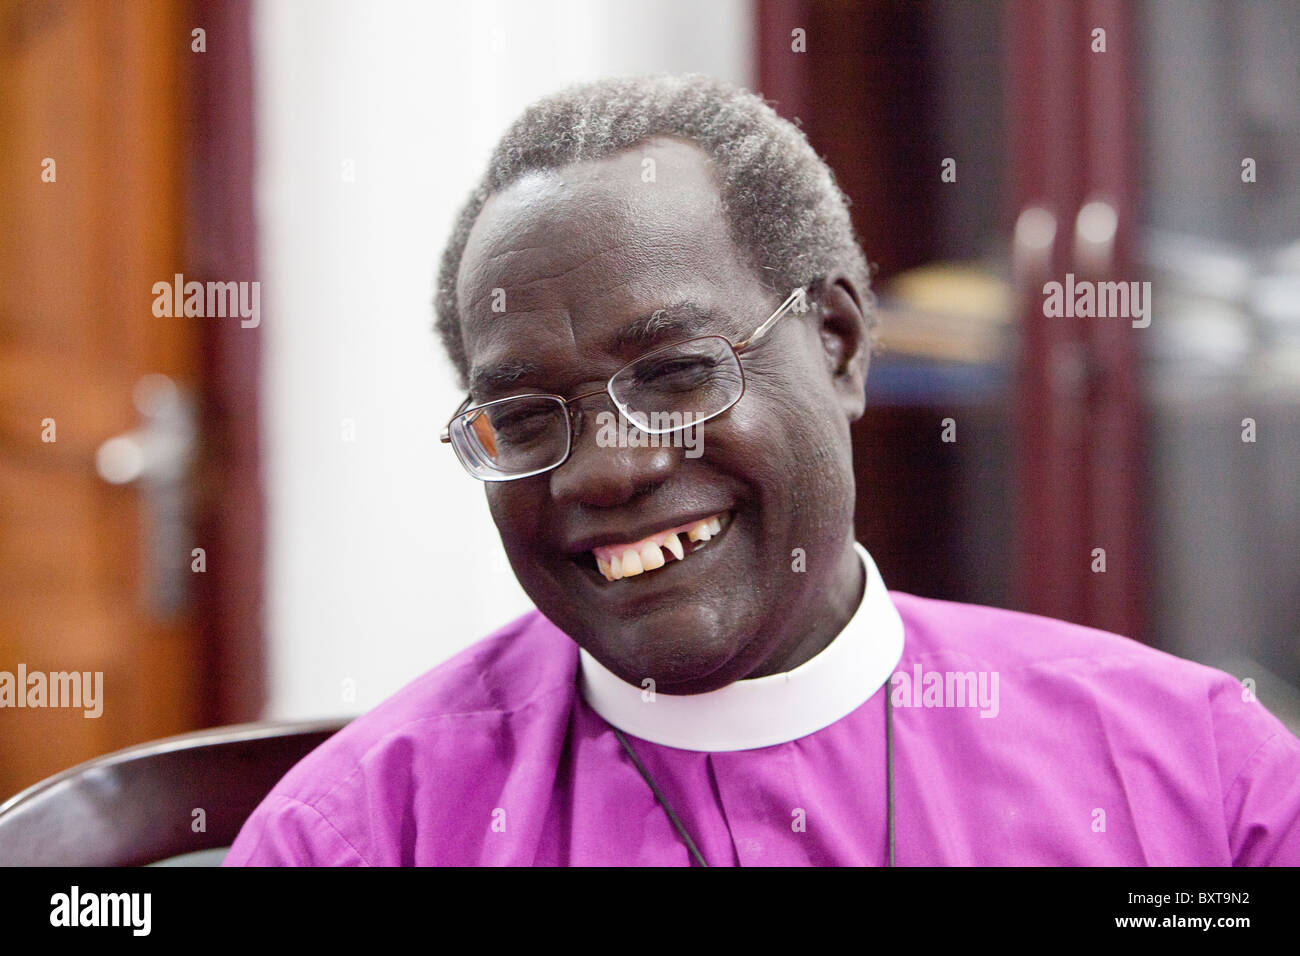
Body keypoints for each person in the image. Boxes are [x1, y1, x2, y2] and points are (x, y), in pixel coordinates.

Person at [225, 74, 1300, 866]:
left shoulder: (1192, 775)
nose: (606, 470)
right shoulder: (360, 834)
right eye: (523, 415)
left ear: (836, 340)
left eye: (676, 372)